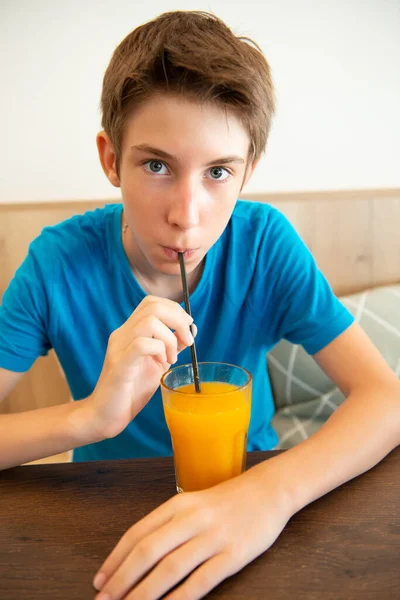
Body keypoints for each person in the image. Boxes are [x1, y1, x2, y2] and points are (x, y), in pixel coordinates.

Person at [1, 10, 399, 600]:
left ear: (248, 175)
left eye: (218, 172)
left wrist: (270, 495)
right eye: (156, 165)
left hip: (256, 499)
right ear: (111, 159)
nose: (187, 216)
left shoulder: (264, 243)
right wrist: (92, 417)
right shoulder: (57, 263)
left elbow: (386, 398)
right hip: (110, 511)